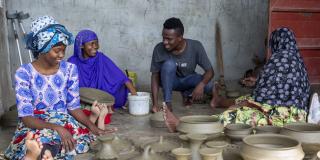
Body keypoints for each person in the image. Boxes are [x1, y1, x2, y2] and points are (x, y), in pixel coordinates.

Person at [4, 16, 115, 160]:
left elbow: (73, 107)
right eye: (57, 51)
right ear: (42, 49)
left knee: (77, 137)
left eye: (63, 50)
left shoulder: (69, 69)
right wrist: (57, 128)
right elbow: (26, 118)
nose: (61, 55)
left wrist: (91, 126)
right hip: (35, 122)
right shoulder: (24, 73)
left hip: (63, 119)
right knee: (40, 137)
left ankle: (41, 153)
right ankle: (37, 151)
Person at [216, 27, 310, 126]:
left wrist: (243, 105)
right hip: (298, 116)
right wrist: (257, 82)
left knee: (228, 117)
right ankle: (218, 101)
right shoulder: (299, 61)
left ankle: (219, 104)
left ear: (275, 43)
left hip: (279, 116)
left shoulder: (277, 59)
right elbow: (281, 85)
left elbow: (263, 97)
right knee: (245, 100)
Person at [150, 17, 216, 114]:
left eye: (169, 39)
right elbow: (155, 76)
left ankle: (187, 94)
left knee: (209, 85)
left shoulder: (196, 46)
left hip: (188, 79)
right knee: (169, 64)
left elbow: (210, 71)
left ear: (180, 38)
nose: (165, 42)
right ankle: (167, 104)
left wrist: (200, 86)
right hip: (170, 82)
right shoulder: (159, 49)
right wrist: (155, 104)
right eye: (163, 38)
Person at [68, 29, 137, 111]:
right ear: (81, 46)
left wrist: (135, 96)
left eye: (96, 43)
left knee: (120, 86)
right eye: (91, 44)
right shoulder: (72, 62)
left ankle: (103, 105)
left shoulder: (100, 58)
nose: (96, 46)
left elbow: (121, 77)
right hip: (80, 99)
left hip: (99, 97)